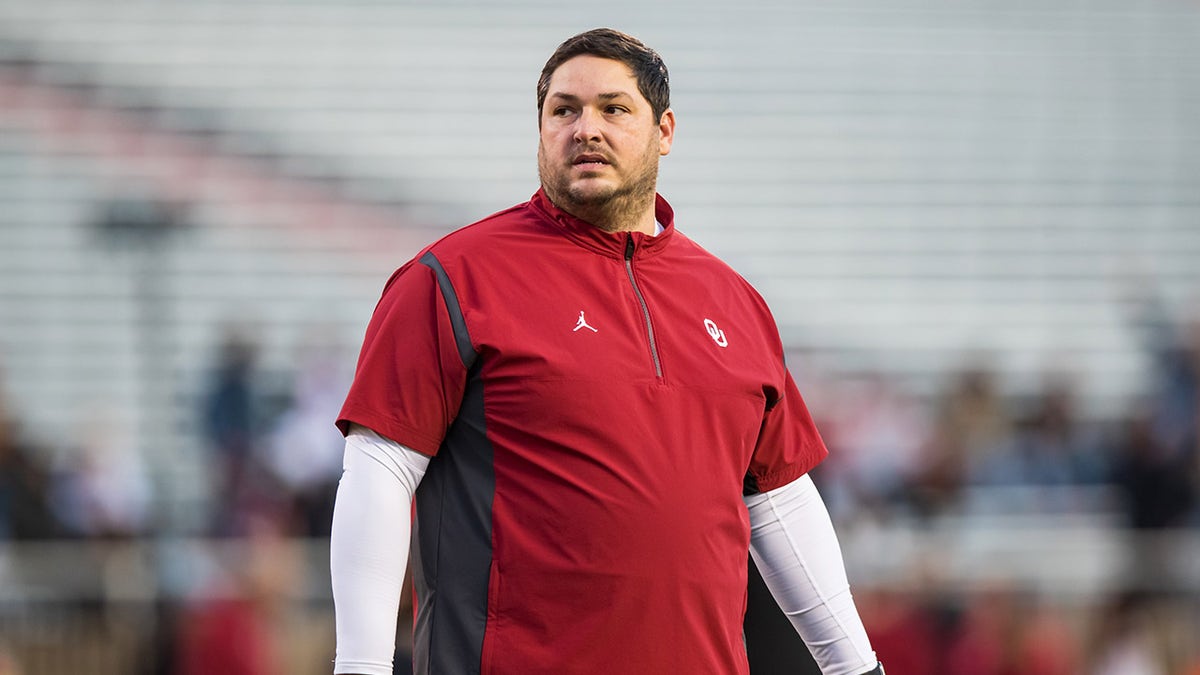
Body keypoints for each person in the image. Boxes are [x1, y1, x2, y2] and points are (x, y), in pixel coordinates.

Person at [329, 28, 883, 675]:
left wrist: (854, 666)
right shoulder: (451, 277)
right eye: (564, 110)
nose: (585, 127)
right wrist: (361, 665)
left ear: (665, 131)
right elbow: (379, 470)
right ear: (539, 130)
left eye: (613, 109)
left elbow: (778, 498)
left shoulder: (735, 300)